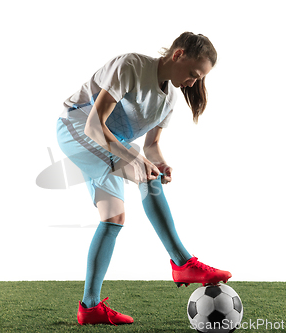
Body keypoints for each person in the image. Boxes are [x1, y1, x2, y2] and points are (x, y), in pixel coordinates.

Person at [56, 32, 231, 326]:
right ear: (177, 54)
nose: (193, 82)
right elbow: (94, 126)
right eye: (192, 73)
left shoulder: (171, 99)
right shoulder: (132, 66)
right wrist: (137, 160)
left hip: (111, 142)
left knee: (113, 219)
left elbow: (150, 145)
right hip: (78, 126)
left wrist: (159, 161)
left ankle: (90, 307)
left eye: (199, 79)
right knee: (143, 173)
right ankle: (182, 262)